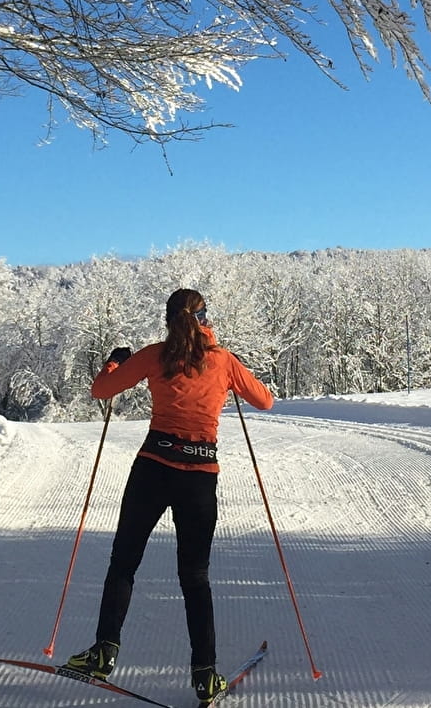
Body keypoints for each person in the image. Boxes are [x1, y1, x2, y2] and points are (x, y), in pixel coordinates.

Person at [63, 288, 274, 705]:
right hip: (199, 477)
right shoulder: (223, 360)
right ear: (205, 318)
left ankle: (103, 651)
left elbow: (101, 391)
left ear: (168, 318)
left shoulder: (154, 355)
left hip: (152, 469)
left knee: (124, 561)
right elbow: (264, 401)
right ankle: (205, 675)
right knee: (194, 577)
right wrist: (227, 374)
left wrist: (115, 361)